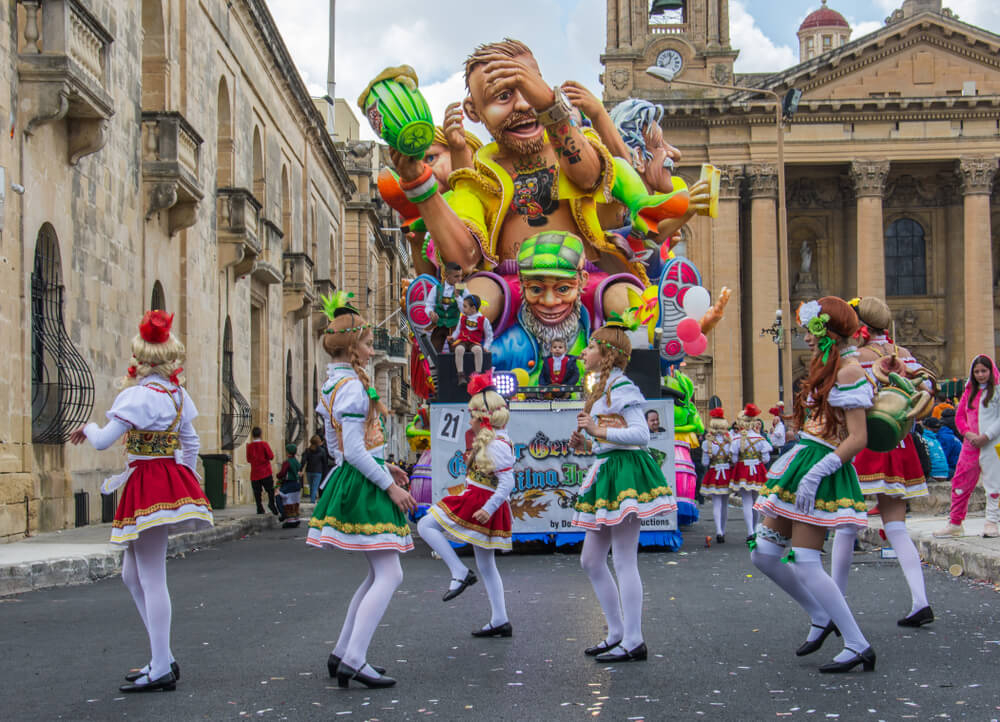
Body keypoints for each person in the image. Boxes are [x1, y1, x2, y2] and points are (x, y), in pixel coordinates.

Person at [69, 310, 213, 693]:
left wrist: (89, 427)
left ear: (141, 359)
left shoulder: (137, 396)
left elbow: (103, 441)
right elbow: (191, 443)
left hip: (148, 484)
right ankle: (162, 656)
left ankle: (162, 666)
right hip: (161, 480)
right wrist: (183, 479)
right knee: (132, 576)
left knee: (151, 576)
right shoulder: (177, 395)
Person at [752, 297, 876, 673]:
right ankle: (821, 615)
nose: (805, 336)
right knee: (763, 553)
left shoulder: (849, 371)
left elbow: (858, 437)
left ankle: (857, 644)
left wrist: (818, 472)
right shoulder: (829, 366)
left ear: (828, 332)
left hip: (822, 469)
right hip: (804, 463)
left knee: (806, 562)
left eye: (811, 329)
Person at [308, 292, 417, 689]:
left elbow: (339, 447)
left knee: (378, 574)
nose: (373, 351)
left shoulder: (333, 384)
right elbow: (352, 451)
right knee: (389, 574)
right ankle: (354, 657)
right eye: (369, 344)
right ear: (353, 347)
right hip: (363, 483)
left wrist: (384, 464)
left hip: (354, 476)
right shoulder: (352, 388)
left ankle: (344, 652)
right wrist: (388, 485)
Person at [570, 322, 677, 663]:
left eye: (591, 347)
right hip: (609, 470)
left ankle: (634, 639)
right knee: (591, 560)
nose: (584, 352)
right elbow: (610, 438)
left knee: (624, 559)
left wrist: (597, 429)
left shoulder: (623, 387)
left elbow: (641, 434)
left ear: (606, 353)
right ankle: (616, 632)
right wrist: (587, 443)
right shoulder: (603, 388)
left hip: (625, 473)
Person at [838, 297, 932, 626]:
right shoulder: (903, 354)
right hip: (899, 443)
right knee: (896, 527)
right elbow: (927, 389)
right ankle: (920, 601)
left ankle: (834, 605)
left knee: (846, 523)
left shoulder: (856, 358)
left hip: (865, 441)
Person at [417, 371, 516, 637]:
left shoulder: (496, 444)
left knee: (426, 525)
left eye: (472, 415)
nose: (469, 419)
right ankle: (500, 620)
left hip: (479, 501)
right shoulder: (496, 439)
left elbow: (508, 482)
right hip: (480, 499)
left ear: (483, 418)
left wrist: (488, 508)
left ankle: (459, 571)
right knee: (487, 566)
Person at [933, 355, 1000, 539]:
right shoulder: (968, 393)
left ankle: (992, 521)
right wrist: (968, 434)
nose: (980, 375)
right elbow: (960, 417)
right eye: (977, 371)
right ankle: (955, 523)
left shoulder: (997, 391)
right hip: (971, 445)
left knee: (994, 483)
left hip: (993, 444)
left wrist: (987, 436)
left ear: (991, 371)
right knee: (960, 482)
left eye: (984, 371)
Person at [730, 404, 771, 540]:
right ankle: (755, 529)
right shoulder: (760, 439)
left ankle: (750, 531)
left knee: (746, 501)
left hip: (743, 470)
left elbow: (734, 459)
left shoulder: (737, 439)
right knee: (756, 501)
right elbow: (766, 459)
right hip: (757, 470)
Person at [701, 408, 733, 542]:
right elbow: (734, 460)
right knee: (725, 504)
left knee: (716, 504)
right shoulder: (730, 442)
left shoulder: (707, 443)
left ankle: (718, 530)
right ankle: (723, 530)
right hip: (727, 473)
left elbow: (704, 462)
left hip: (714, 473)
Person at [425, 262, 469, 353]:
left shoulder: (463, 290)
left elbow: (466, 311)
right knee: (434, 352)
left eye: (461, 276)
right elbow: (428, 305)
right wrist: (430, 313)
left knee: (456, 353)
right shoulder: (436, 288)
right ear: (447, 276)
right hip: (439, 325)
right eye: (456, 276)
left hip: (454, 326)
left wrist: (458, 297)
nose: (460, 279)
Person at [450, 294, 493, 385]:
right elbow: (458, 331)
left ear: (473, 308)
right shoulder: (463, 318)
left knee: (478, 350)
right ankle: (460, 375)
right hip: (463, 341)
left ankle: (477, 375)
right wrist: (453, 337)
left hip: (474, 342)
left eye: (465, 307)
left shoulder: (483, 320)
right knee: (459, 349)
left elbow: (489, 335)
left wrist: (486, 347)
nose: (463, 309)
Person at [246, 427, 278, 515]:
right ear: (260, 434)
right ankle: (271, 504)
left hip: (255, 473)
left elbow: (248, 459)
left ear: (252, 435)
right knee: (270, 490)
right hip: (265, 471)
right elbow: (271, 456)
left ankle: (259, 507)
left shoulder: (249, 446)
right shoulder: (264, 444)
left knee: (257, 492)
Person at [276, 444, 302, 528]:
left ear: (288, 452)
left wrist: (278, 476)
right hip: (297, 484)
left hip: (289, 484)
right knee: (294, 501)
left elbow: (283, 473)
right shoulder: (296, 461)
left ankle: (284, 514)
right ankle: (295, 519)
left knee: (278, 496)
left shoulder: (287, 462)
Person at [932, 413, 961, 477]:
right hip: (958, 467)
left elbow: (943, 457)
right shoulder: (949, 435)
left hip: (954, 469)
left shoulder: (943, 437)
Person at [301, 435, 327, 504]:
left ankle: (312, 499)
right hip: (318, 471)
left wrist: (301, 469)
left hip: (309, 471)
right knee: (315, 486)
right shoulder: (322, 451)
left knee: (311, 486)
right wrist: (325, 471)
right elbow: (324, 462)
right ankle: (312, 501)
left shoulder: (307, 450)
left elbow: (303, 460)